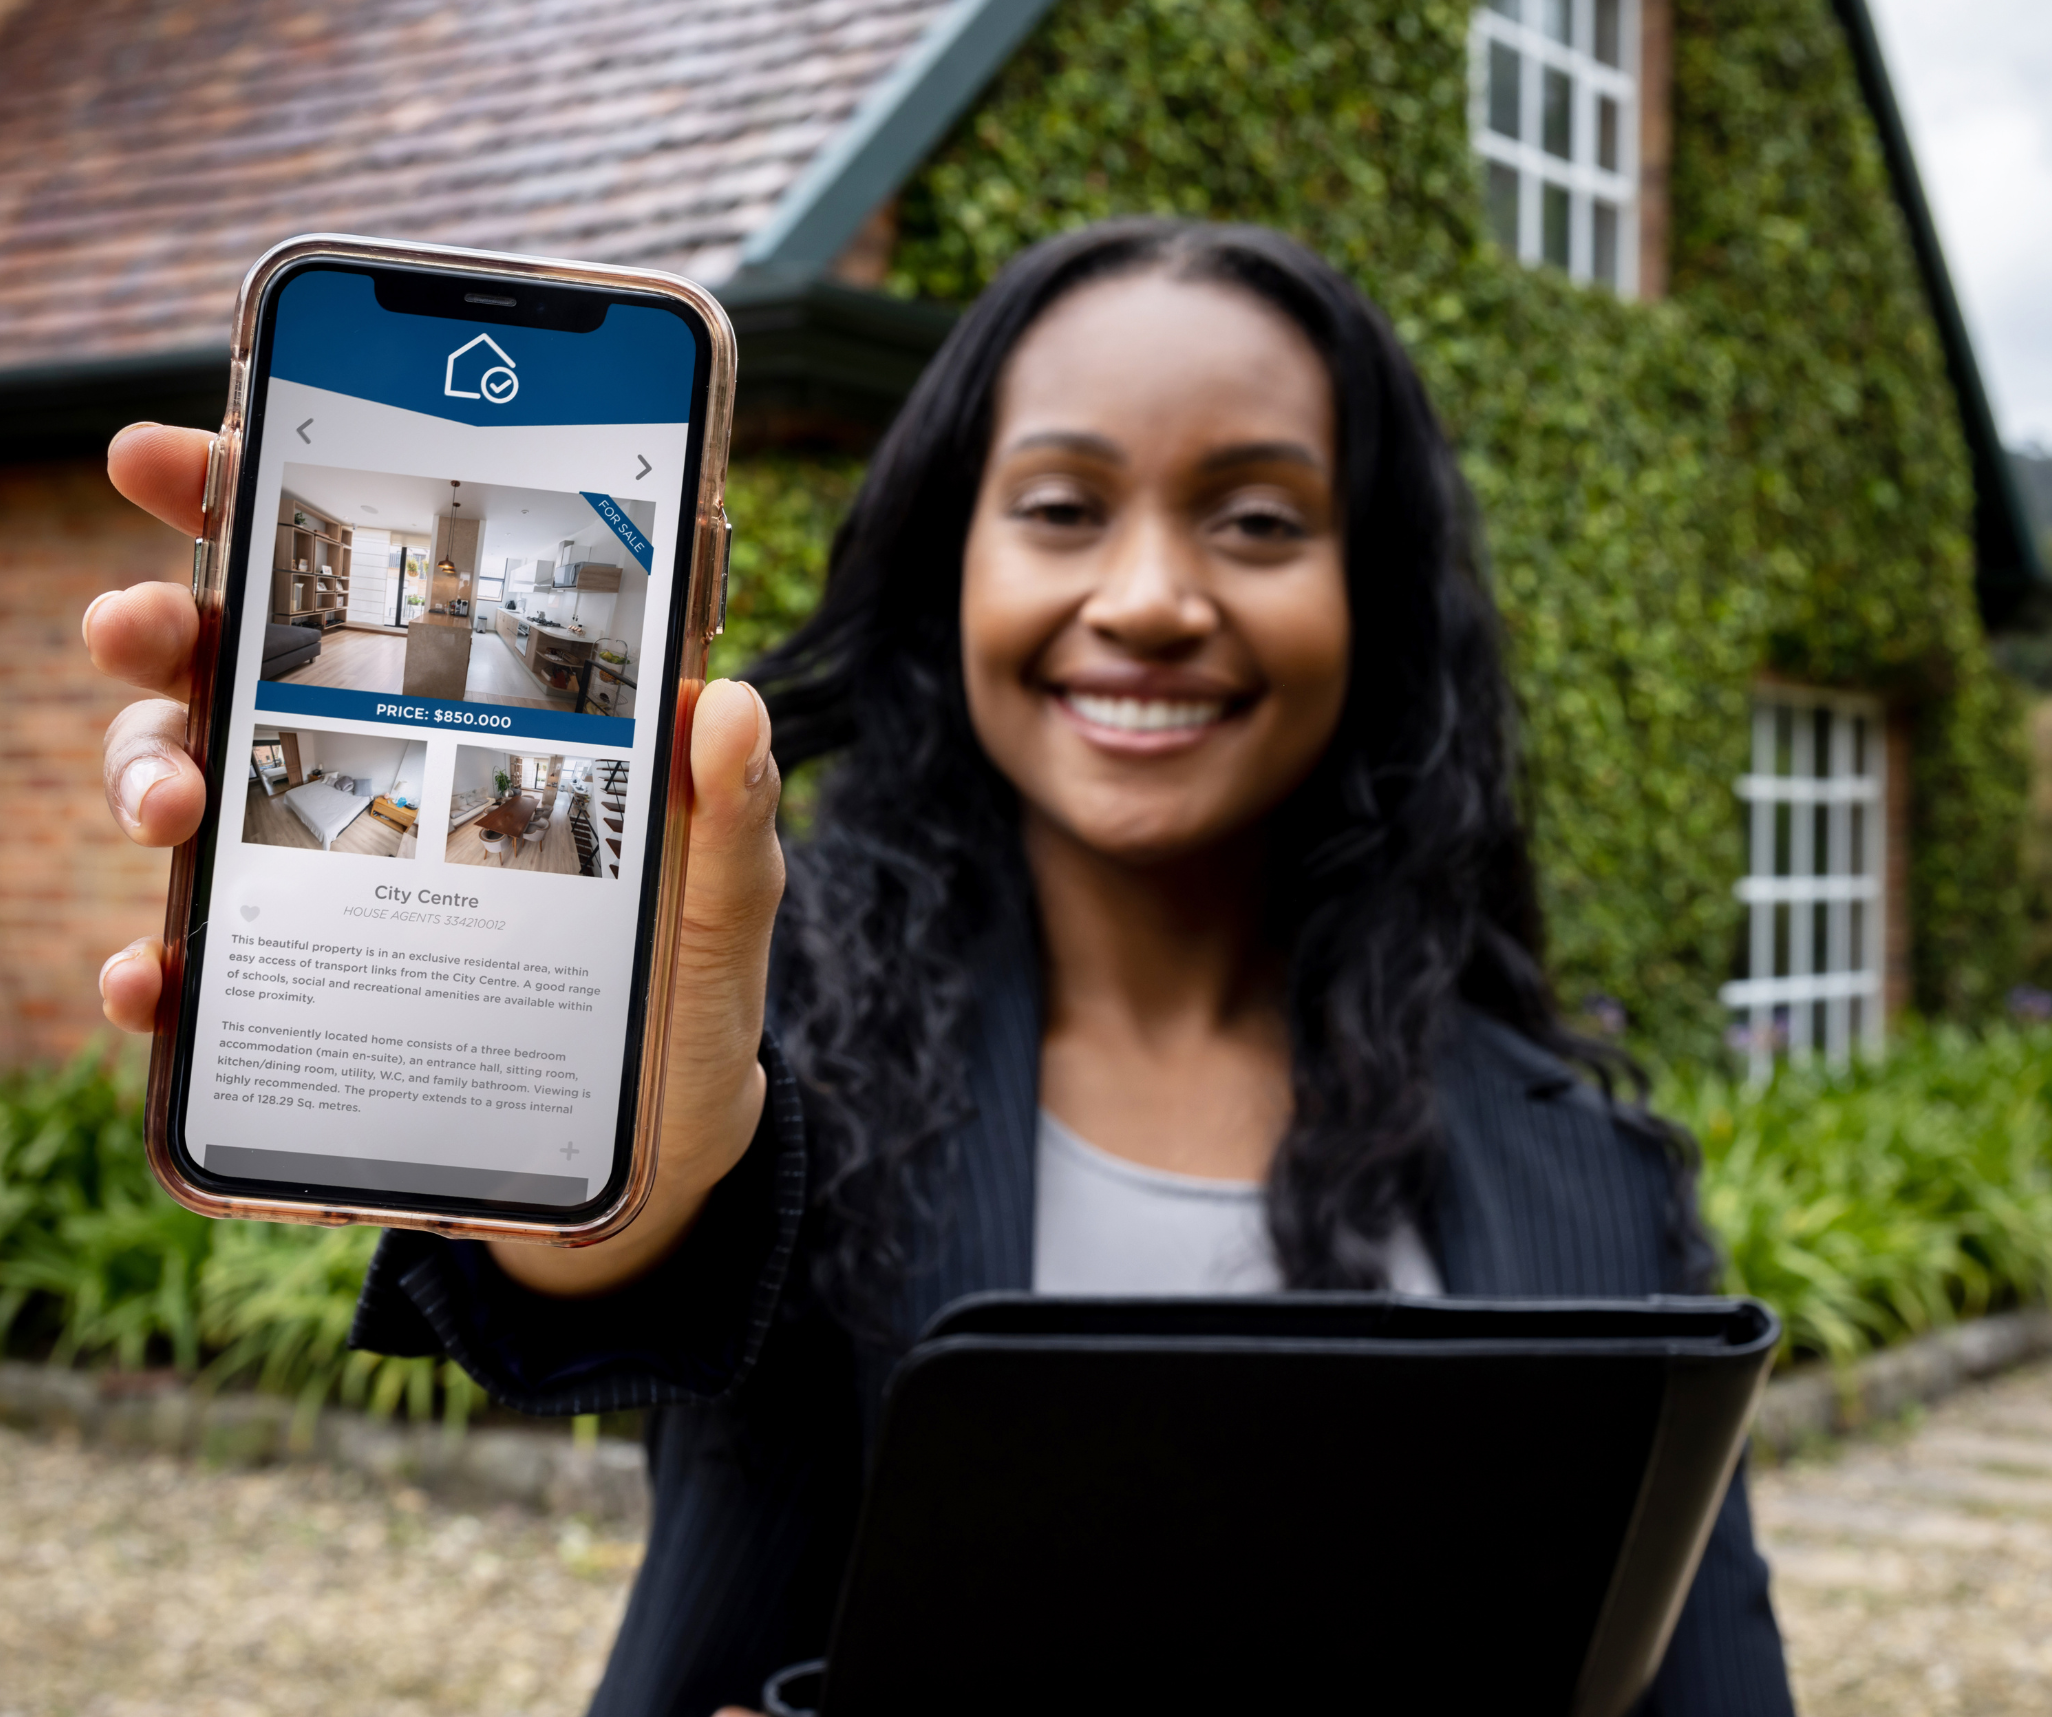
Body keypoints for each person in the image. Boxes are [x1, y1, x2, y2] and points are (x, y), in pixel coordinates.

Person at [88, 219, 1793, 1715]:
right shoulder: (781, 1018)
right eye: (1062, 507)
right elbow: (631, 1270)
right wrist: (607, 1147)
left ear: (1377, 597)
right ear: (949, 562)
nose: (1148, 597)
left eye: (1260, 522)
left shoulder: (1600, 1174)